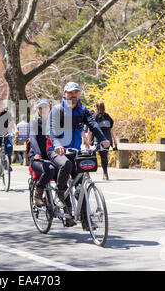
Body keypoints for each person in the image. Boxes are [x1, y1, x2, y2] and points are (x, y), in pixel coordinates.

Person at [48, 82, 110, 228]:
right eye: (70, 93)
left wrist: (103, 139)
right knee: (66, 164)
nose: (73, 95)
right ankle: (60, 192)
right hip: (56, 150)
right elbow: (52, 130)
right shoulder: (57, 110)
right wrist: (57, 145)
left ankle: (86, 221)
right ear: (64, 94)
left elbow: (93, 124)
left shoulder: (83, 110)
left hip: (74, 151)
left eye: (76, 92)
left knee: (80, 185)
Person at [29, 99, 58, 208]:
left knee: (63, 173)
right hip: (37, 158)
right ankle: (38, 193)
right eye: (40, 108)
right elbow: (33, 139)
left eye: (45, 107)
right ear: (37, 110)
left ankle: (66, 209)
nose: (43, 110)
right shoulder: (34, 123)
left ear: (49, 108)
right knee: (49, 169)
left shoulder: (54, 123)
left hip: (52, 156)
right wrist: (37, 153)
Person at [87, 101, 118, 181]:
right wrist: (115, 142)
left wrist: (88, 141)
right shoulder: (108, 116)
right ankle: (105, 174)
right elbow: (112, 130)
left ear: (96, 107)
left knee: (92, 155)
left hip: (97, 140)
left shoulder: (94, 116)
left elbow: (90, 131)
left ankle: (91, 171)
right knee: (104, 157)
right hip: (107, 140)